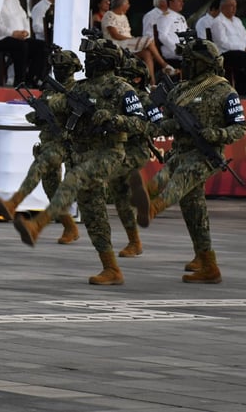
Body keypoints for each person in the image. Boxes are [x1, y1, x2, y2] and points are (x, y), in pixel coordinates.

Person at [11, 38, 149, 286]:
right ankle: (111, 269)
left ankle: (38, 225)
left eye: (93, 57)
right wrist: (41, 111)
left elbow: (141, 124)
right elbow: (58, 106)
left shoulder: (123, 90)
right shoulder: (80, 89)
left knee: (73, 180)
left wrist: (113, 120)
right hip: (81, 153)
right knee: (93, 213)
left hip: (108, 152)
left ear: (104, 61)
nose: (88, 61)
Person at [146, 39, 246, 284]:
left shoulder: (224, 91)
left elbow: (240, 127)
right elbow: (166, 123)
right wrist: (156, 125)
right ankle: (206, 261)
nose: (185, 66)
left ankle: (149, 211)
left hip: (205, 156)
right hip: (180, 153)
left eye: (189, 62)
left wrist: (218, 134)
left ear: (201, 64)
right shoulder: (180, 90)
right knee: (193, 209)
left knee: (176, 185)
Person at [0, 48, 82, 245]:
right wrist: (37, 115)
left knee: (44, 169)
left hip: (70, 143)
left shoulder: (78, 91)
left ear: (73, 69)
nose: (59, 71)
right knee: (51, 188)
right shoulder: (50, 89)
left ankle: (14, 203)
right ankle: (69, 226)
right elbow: (35, 115)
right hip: (49, 141)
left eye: (63, 67)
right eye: (56, 67)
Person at [109, 54, 163, 258]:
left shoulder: (143, 99)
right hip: (118, 149)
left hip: (135, 150)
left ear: (138, 79)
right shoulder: (117, 95)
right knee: (119, 197)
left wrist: (137, 126)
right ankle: (134, 241)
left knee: (116, 178)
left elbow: (158, 124)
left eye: (126, 76)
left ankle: (140, 193)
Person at [102, 0, 177, 85]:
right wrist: (132, 39)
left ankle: (151, 83)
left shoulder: (123, 16)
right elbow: (115, 35)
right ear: (122, 4)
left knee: (147, 53)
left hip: (127, 43)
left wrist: (132, 39)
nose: (129, 6)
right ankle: (164, 65)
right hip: (117, 43)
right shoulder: (109, 15)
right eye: (127, 3)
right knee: (149, 40)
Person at [155, 0, 188, 65]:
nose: (182, 3)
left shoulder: (181, 17)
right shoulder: (165, 17)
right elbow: (163, 36)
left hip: (183, 50)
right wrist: (177, 49)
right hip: (171, 51)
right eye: (179, 1)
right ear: (171, 2)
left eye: (182, 1)